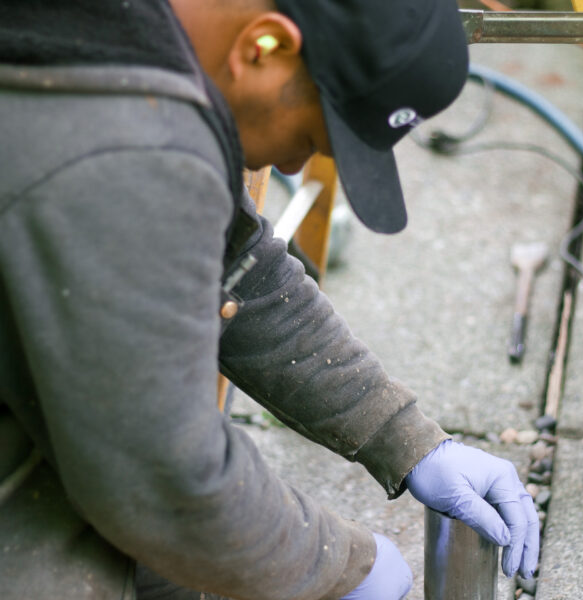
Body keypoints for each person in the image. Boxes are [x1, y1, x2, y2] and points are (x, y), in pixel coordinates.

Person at [0, 0, 539, 598]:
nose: (291, 164)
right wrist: (342, 567)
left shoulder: (135, 40)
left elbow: (240, 268)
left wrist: (407, 438)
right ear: (265, 46)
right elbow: (168, 481)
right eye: (310, 135)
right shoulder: (117, 151)